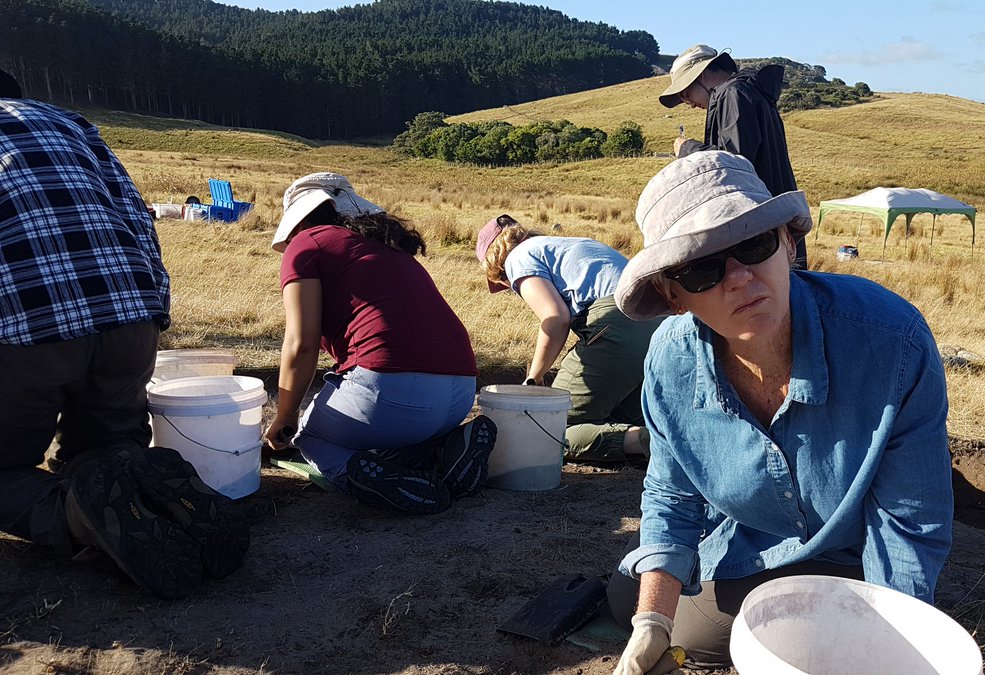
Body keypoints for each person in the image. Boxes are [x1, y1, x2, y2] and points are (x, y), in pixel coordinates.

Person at [607, 151, 953, 671]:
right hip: (748, 543)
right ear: (672, 295)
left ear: (788, 243)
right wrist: (651, 621)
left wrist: (889, 646)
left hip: (862, 556)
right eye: (701, 269)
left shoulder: (892, 341)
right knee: (632, 598)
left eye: (752, 244)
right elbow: (671, 496)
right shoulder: (669, 360)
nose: (739, 277)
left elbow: (908, 522)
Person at [0, 70, 249, 599]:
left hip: (28, 327)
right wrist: (153, 310)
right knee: (110, 445)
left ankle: (79, 518)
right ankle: (156, 495)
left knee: (5, 470)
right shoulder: (71, 123)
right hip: (128, 313)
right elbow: (137, 217)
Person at [263, 173, 495, 514]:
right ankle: (443, 450)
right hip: (460, 392)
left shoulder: (306, 243)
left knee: (312, 436)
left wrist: (285, 417)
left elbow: (301, 343)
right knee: (394, 428)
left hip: (392, 395)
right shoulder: (388, 247)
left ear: (298, 221)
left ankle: (364, 479)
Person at [475, 216, 662, 463]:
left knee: (549, 427)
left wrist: (532, 380)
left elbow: (555, 318)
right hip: (657, 328)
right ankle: (655, 439)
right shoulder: (563, 245)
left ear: (495, 265)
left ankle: (656, 443)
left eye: (505, 284)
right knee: (617, 420)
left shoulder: (517, 259)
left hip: (617, 324)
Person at [660, 44, 807, 269]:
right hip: (775, 231)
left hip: (761, 235)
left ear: (701, 74)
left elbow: (733, 167)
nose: (688, 103)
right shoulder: (749, 93)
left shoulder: (733, 94)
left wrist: (687, 150)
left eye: (686, 93)